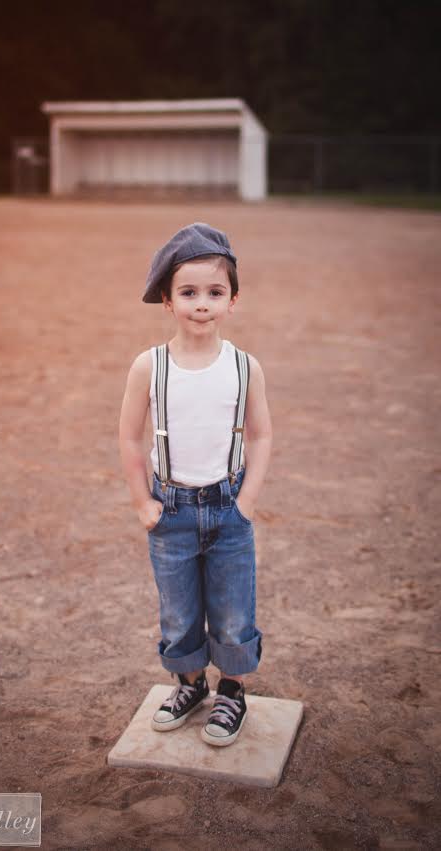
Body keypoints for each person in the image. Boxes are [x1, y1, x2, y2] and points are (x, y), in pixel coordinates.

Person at [119, 222, 272, 747]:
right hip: (172, 510)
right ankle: (189, 684)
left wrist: (246, 501)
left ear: (233, 300)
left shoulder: (245, 367)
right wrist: (142, 502)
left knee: (232, 612)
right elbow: (129, 437)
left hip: (229, 508)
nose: (202, 304)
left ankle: (232, 690)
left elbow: (262, 434)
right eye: (188, 293)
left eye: (214, 292)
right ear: (167, 300)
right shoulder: (150, 366)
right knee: (179, 612)